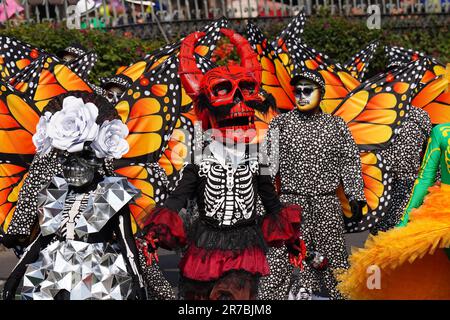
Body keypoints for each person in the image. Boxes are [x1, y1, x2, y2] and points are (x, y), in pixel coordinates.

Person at [136, 29, 304, 300]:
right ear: (210, 112)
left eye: (246, 93)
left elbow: (269, 198)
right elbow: (179, 196)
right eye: (227, 95)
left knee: (235, 297)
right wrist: (156, 231)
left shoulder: (257, 155)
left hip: (245, 242)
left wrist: (291, 239)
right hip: (206, 243)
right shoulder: (200, 158)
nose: (238, 104)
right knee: (199, 298)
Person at [2, 91, 146, 300]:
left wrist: (138, 282)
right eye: (69, 156)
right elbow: (43, 239)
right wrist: (14, 277)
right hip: (53, 270)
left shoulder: (111, 192)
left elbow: (127, 244)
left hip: (97, 274)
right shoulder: (56, 189)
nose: (75, 164)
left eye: (84, 156)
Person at [263, 71, 366, 300]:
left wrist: (355, 195)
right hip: (290, 205)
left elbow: (349, 162)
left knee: (335, 265)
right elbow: (267, 167)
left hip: (326, 204)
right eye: (297, 91)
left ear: (321, 93)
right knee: (280, 263)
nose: (301, 95)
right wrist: (264, 206)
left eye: (307, 90)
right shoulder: (280, 124)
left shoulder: (336, 126)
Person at [338, 123, 450, 299]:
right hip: (441, 211)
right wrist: (405, 220)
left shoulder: (432, 125)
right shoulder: (442, 132)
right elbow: (425, 178)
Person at [371, 106, 432, 234]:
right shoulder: (378, 111)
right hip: (380, 184)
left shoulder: (420, 115)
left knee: (400, 232)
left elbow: (430, 151)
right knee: (378, 233)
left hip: (408, 184)